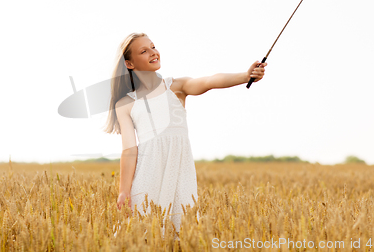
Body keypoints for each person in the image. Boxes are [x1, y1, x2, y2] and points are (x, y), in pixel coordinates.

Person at [102, 32, 267, 238]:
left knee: (182, 234)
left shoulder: (176, 87)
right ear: (129, 64)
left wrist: (245, 76)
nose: (153, 52)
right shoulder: (125, 104)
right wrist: (124, 191)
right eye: (144, 51)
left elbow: (210, 81)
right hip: (147, 175)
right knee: (140, 234)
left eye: (153, 46)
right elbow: (129, 150)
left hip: (180, 172)